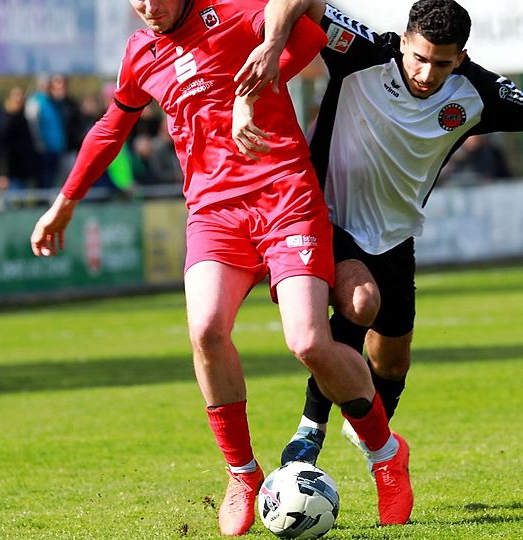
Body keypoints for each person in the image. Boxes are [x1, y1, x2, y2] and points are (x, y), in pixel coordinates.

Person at [29, 0, 411, 535]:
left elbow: (309, 33)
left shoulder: (234, 12)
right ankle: (242, 472)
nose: (148, 8)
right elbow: (110, 128)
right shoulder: (140, 53)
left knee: (307, 342)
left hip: (284, 196)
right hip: (213, 213)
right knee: (206, 331)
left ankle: (386, 454)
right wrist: (64, 204)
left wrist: (258, 75)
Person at [233, 0, 523, 477]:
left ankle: (368, 428)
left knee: (392, 361)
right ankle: (310, 429)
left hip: (395, 236)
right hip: (322, 218)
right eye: (419, 57)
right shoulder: (363, 52)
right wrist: (272, 45)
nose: (426, 72)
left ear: (460, 57)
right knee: (360, 302)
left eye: (441, 63)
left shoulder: (476, 90)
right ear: (403, 42)